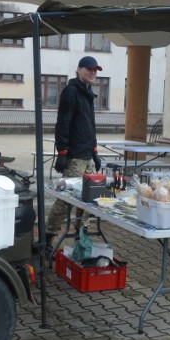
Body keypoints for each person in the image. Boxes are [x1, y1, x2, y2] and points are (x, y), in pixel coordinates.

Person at [45, 56, 103, 248]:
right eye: (88, 69)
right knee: (66, 199)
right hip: (75, 157)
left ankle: (81, 234)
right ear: (79, 69)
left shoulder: (88, 93)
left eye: (95, 70)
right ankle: (47, 237)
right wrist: (62, 152)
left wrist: (95, 151)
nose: (92, 73)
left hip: (87, 155)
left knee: (88, 199)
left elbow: (90, 126)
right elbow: (63, 123)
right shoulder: (71, 91)